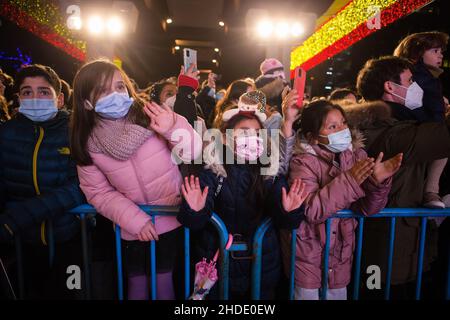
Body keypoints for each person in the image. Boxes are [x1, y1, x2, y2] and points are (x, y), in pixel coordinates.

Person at [70, 59, 202, 300]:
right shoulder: (87, 143)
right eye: (103, 90)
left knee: (165, 285)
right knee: (137, 287)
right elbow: (97, 193)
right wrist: (135, 221)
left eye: (120, 86)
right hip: (132, 228)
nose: (115, 94)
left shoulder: (151, 115)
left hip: (172, 220)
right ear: (87, 102)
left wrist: (172, 126)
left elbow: (192, 152)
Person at [177, 91, 306, 299]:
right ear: (227, 137)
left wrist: (289, 211)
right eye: (244, 131)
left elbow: (282, 214)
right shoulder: (212, 169)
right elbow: (195, 219)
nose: (252, 138)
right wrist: (195, 210)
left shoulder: (269, 171)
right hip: (218, 266)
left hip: (261, 267)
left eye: (257, 133)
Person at [283, 99, 401, 300]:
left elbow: (367, 209)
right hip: (307, 255)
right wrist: (351, 180)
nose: (342, 130)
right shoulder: (303, 161)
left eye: (343, 123)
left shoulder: (357, 156)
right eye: (332, 126)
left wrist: (376, 182)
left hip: (341, 256)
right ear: (313, 137)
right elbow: (311, 210)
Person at [355, 56, 450, 298]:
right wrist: (436, 108)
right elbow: (442, 137)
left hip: (403, 244)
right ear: (390, 87)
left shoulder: (401, 123)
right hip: (381, 250)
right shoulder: (387, 132)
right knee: (376, 292)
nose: (416, 88)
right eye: (411, 81)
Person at [0, 64, 86, 299]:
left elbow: (80, 186)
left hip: (69, 241)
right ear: (18, 98)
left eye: (43, 92)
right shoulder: (6, 133)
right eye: (27, 92)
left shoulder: (75, 131)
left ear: (59, 99)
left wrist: (16, 218)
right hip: (23, 245)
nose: (35, 97)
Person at [393, 31, 449, 209]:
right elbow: (435, 113)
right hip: (418, 128)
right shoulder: (422, 75)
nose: (440, 55)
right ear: (418, 52)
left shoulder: (421, 74)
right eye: (434, 50)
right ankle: (432, 191)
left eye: (441, 51)